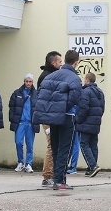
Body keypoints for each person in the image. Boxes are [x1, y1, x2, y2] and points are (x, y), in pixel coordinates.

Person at [33, 50, 82, 190]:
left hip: (52, 117)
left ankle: (56, 178)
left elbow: (42, 95)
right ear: (76, 62)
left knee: (55, 147)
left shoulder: (50, 76)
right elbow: (75, 98)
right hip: (67, 116)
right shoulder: (74, 78)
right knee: (64, 149)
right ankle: (60, 180)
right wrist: (62, 108)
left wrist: (54, 109)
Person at [37, 51, 62, 187]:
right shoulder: (47, 77)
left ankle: (51, 174)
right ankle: (47, 176)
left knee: (54, 144)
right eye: (59, 62)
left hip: (50, 115)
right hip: (47, 116)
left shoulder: (49, 75)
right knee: (52, 144)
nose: (61, 64)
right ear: (53, 63)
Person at [75, 72, 105, 177]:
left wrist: (78, 120)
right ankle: (91, 168)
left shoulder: (85, 92)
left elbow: (84, 108)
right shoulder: (100, 92)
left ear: (87, 80)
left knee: (84, 144)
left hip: (86, 123)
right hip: (96, 122)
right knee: (93, 144)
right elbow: (102, 108)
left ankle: (93, 166)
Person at [9, 73, 40, 173]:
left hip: (30, 123)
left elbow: (39, 108)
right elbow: (12, 107)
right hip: (20, 122)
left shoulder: (36, 94)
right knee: (18, 142)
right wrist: (12, 118)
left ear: (32, 82)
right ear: (24, 81)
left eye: (30, 81)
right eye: (26, 81)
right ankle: (20, 162)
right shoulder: (17, 93)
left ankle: (28, 164)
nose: (28, 83)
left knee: (30, 145)